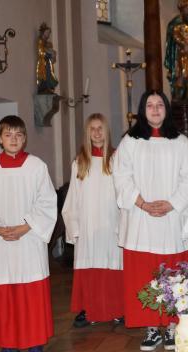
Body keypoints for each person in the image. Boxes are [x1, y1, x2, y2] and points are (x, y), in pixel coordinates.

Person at [113, 90, 188, 351]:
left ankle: (173, 326)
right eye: (149, 105)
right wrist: (142, 203)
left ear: (166, 109)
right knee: (145, 273)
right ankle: (151, 328)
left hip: (172, 218)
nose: (155, 109)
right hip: (142, 217)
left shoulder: (181, 142)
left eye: (160, 104)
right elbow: (122, 176)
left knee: (173, 271)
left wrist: (171, 203)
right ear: (142, 109)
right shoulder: (130, 141)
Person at [0, 115, 57, 352]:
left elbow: (47, 201)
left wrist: (25, 227)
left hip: (29, 238)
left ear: (25, 138)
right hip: (1, 242)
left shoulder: (36, 166)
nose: (14, 139)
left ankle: (35, 343)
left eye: (19, 135)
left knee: (30, 291)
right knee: (5, 292)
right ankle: (7, 344)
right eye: (8, 135)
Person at [62, 114, 124, 328]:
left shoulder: (117, 159)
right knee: (89, 266)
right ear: (87, 133)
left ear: (106, 132)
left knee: (112, 264)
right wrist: (74, 226)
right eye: (92, 129)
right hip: (88, 225)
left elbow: (124, 192)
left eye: (100, 128)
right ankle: (87, 308)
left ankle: (117, 309)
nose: (96, 133)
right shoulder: (80, 162)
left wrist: (123, 223)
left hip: (110, 221)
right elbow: (73, 198)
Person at [36, 23, 59, 94]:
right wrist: (48, 54)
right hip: (43, 62)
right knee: (45, 75)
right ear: (43, 32)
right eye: (47, 32)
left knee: (49, 74)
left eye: (49, 33)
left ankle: (48, 87)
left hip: (48, 62)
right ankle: (44, 87)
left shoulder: (48, 43)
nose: (48, 34)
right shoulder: (40, 41)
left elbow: (50, 51)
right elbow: (40, 52)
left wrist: (53, 54)